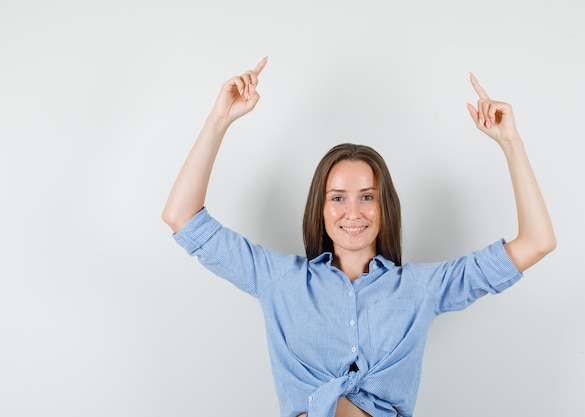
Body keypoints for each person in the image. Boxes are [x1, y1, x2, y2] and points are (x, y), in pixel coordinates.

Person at [162, 57, 556, 417]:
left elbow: (537, 241)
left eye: (367, 197)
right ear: (320, 208)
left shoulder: (420, 288)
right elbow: (181, 216)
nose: (353, 212)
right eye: (338, 198)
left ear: (386, 207)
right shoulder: (278, 280)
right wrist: (219, 118)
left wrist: (511, 144)